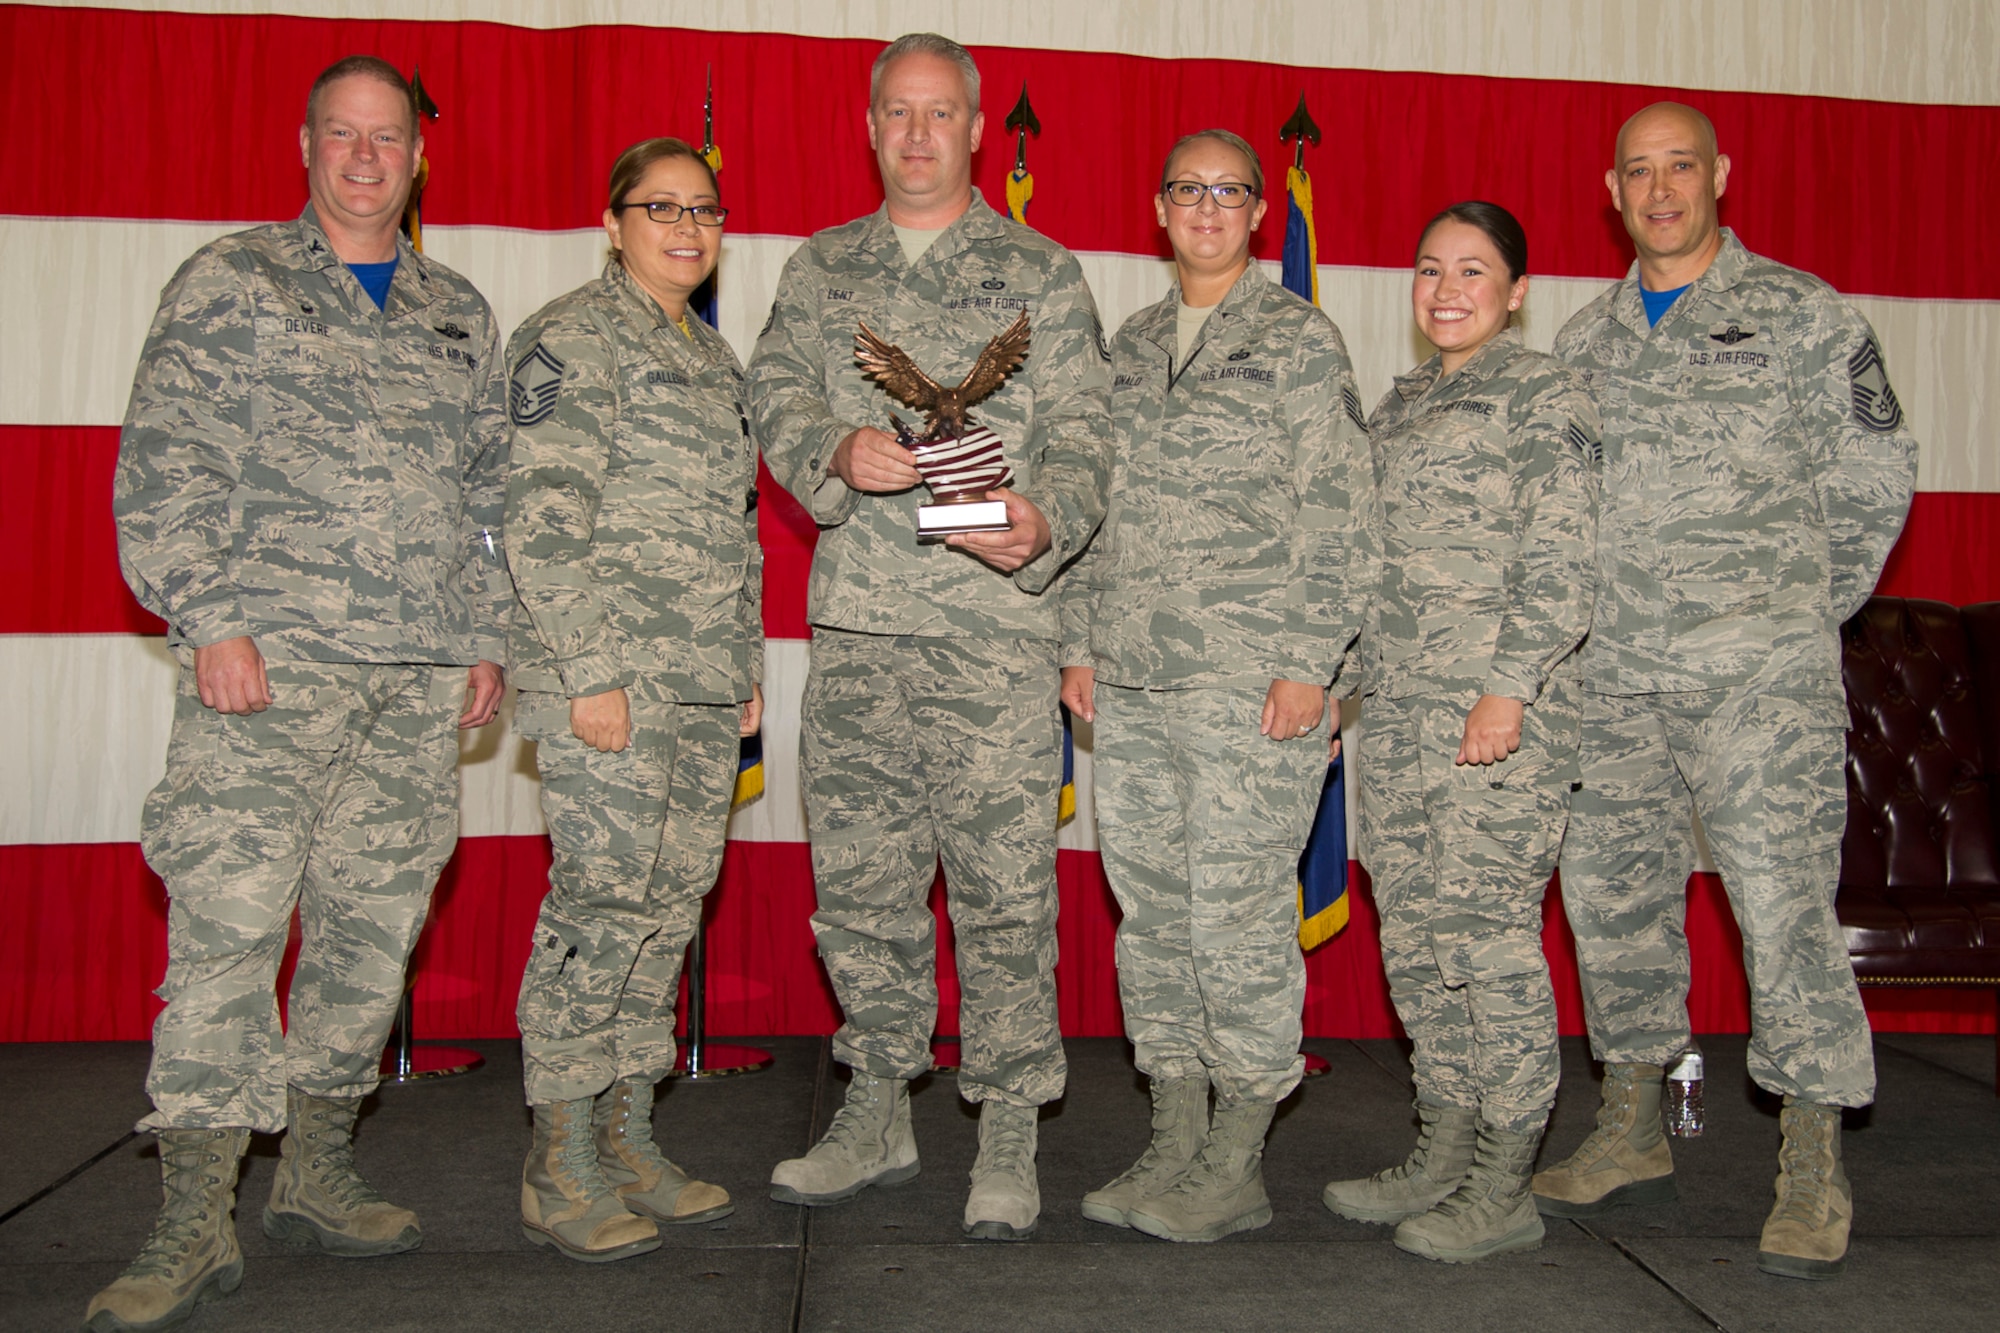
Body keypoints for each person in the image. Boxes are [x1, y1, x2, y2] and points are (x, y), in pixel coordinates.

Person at [95, 55, 510, 1331]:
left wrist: (488, 634)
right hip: (265, 669)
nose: (367, 158)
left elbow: (489, 494)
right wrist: (208, 615)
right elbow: (164, 464)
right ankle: (191, 1219)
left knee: (369, 928)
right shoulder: (233, 280)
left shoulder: (458, 308)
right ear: (306, 143)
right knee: (226, 930)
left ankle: (318, 1170)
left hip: (415, 674)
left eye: (389, 139)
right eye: (345, 135)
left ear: (418, 155)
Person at [1532, 102, 1917, 1280]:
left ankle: (1809, 1155)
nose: (1658, 191)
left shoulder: (1801, 314)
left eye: (1679, 168)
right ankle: (1636, 1118)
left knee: (1780, 911)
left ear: (1719, 176)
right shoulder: (1583, 340)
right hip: (1614, 679)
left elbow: (1874, 474)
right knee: (1612, 900)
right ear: (1609, 190)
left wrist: (1790, 615)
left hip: (1757, 677)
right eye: (1637, 173)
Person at [747, 32, 1111, 1241]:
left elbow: (1085, 434)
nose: (915, 134)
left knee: (1004, 891)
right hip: (858, 627)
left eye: (937, 113)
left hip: (992, 634)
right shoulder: (821, 267)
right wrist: (828, 454)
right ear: (868, 127)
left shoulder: (1040, 273)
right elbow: (775, 390)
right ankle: (876, 1104)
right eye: (894, 113)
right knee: (858, 887)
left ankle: (1007, 1123)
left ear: (973, 130)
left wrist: (1046, 517)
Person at [1058, 130, 1373, 1243]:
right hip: (1136, 679)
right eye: (1185, 189)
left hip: (1251, 683)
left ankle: (1236, 1156)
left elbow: (1339, 510)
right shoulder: (1131, 345)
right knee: (1153, 916)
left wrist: (1308, 663)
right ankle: (1175, 1133)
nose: (1205, 208)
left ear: (1255, 213)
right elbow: (1094, 503)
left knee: (1236, 919)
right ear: (1158, 208)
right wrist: (1077, 638)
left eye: (1226, 191)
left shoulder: (1296, 338)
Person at [1320, 203, 1598, 1263]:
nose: (1445, 288)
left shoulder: (1544, 395)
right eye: (1429, 267)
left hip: (1496, 717)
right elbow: (1368, 570)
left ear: (1516, 291)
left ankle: (1502, 1176)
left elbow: (1564, 559)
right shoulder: (1395, 410)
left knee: (1484, 940)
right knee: (1418, 940)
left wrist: (1507, 687)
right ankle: (1441, 1144)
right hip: (1395, 717)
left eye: (1472, 271)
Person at [504, 137, 764, 1263]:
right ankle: (557, 1158)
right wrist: (590, 674)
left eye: (703, 210)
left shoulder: (713, 362)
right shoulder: (571, 337)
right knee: (597, 908)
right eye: (660, 208)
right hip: (606, 682)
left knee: (665, 910)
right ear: (612, 225)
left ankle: (627, 1136)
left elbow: (737, 535)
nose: (686, 227)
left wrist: (745, 666)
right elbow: (541, 523)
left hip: (699, 686)